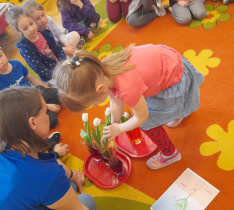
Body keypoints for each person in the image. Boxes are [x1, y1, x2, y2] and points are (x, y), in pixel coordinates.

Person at [53, 44, 204, 170]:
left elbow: (141, 117)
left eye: (92, 103)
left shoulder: (127, 89)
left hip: (173, 76)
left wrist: (120, 129)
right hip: (168, 61)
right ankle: (178, 112)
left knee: (147, 124)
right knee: (147, 105)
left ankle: (170, 153)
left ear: (100, 89)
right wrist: (115, 122)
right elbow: (114, 100)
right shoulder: (103, 70)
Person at [0, 87, 97, 210]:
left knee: (69, 185)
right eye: (46, 111)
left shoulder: (10, 141)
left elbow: (45, 158)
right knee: (87, 200)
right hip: (39, 185)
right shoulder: (46, 176)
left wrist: (74, 176)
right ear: (33, 123)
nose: (47, 116)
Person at [0, 46, 69, 158]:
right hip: (24, 111)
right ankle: (47, 137)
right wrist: (46, 106)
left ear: (2, 50)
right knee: (51, 120)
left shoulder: (16, 64)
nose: (1, 61)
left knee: (56, 94)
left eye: (0, 55)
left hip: (35, 96)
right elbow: (17, 109)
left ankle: (43, 113)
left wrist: (47, 89)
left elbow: (32, 79)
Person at [5, 5, 66, 87]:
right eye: (25, 29)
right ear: (19, 31)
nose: (31, 29)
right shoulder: (25, 49)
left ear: (32, 19)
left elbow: (58, 50)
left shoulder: (45, 34)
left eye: (31, 24)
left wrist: (63, 63)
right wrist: (59, 73)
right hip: (50, 78)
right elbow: (41, 70)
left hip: (60, 67)